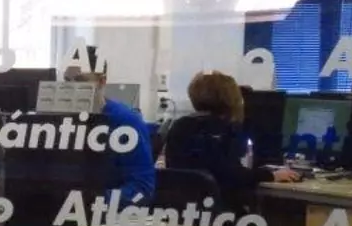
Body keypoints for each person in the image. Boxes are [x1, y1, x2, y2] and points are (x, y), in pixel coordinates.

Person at [163, 70, 301, 205]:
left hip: (182, 211)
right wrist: (271, 175)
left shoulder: (180, 126)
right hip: (219, 212)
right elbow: (232, 175)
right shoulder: (220, 129)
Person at [64, 45, 157, 206]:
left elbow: (142, 189)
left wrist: (93, 200)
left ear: (101, 82)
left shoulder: (125, 122)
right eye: (67, 81)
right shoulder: (57, 121)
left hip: (103, 213)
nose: (71, 89)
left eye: (80, 81)